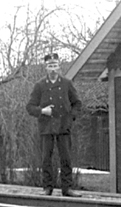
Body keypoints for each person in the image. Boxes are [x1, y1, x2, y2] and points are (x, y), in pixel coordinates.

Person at [26, 52, 83, 197]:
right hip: (47, 127)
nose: (52, 69)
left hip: (64, 126)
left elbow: (77, 103)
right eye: (50, 66)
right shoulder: (39, 85)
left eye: (55, 65)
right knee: (46, 158)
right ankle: (47, 188)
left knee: (66, 158)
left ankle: (67, 188)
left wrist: (71, 118)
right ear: (45, 67)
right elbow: (30, 107)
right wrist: (42, 111)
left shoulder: (67, 84)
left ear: (59, 67)